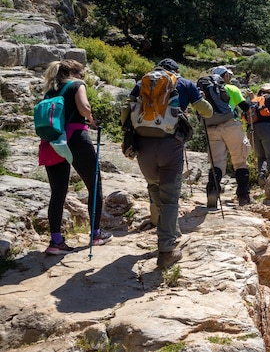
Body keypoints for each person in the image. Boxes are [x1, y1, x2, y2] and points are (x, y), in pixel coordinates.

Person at [125, 58, 213, 268]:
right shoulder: (183, 83)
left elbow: (126, 112)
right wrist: (199, 98)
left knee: (154, 187)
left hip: (143, 146)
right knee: (170, 198)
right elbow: (207, 112)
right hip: (170, 147)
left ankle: (168, 229)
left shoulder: (141, 83)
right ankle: (166, 251)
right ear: (176, 70)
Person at [38, 59, 112, 255]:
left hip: (53, 141)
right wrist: (91, 120)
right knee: (94, 184)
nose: (84, 77)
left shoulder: (50, 90)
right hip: (76, 138)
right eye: (83, 74)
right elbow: (84, 107)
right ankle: (96, 234)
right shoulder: (77, 84)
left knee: (58, 192)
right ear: (76, 73)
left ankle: (55, 241)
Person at [203, 66, 252, 207]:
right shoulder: (232, 89)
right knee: (240, 160)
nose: (229, 78)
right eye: (228, 76)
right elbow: (245, 107)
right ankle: (243, 195)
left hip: (211, 126)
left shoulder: (208, 90)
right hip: (231, 125)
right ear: (224, 76)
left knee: (216, 162)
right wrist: (251, 99)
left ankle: (212, 191)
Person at [246, 84, 270, 188]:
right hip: (267, 128)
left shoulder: (253, 100)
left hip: (251, 130)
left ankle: (262, 174)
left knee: (261, 156)